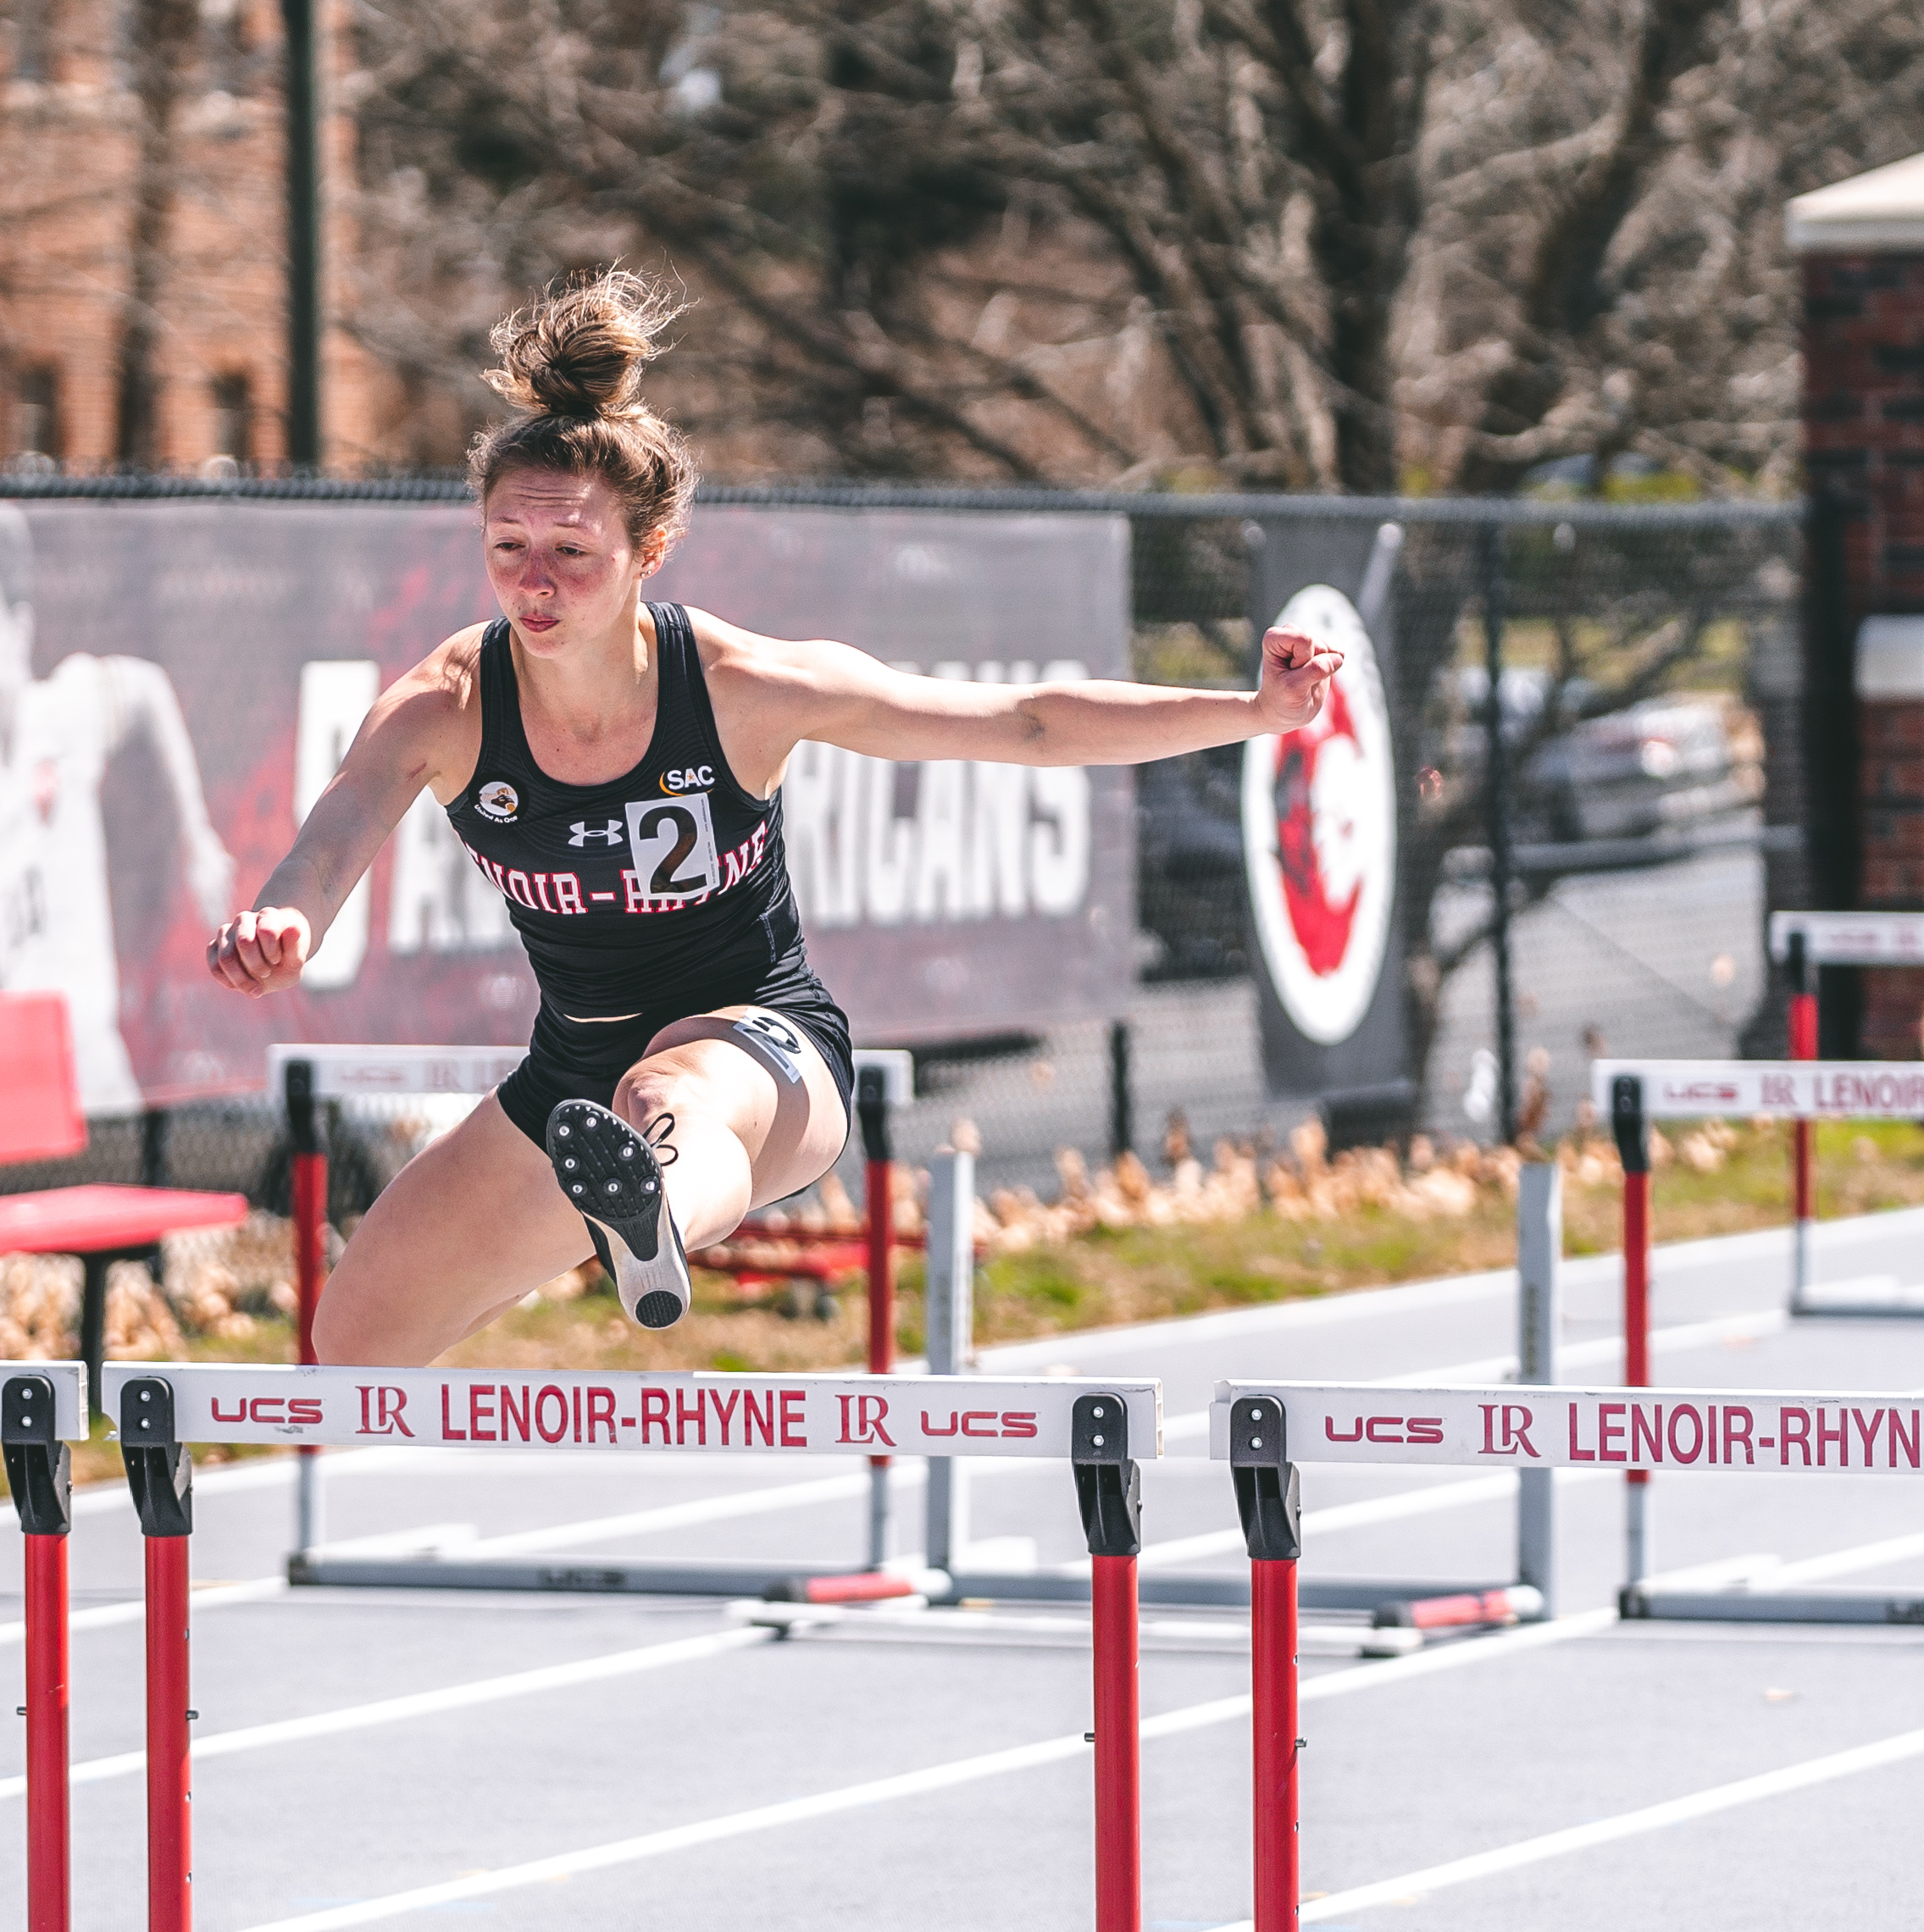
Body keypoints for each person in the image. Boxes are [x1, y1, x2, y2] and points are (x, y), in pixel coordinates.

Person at [209, 273, 1342, 1365]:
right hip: (572, 1082)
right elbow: (335, 835)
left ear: (648, 556)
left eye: (572, 554)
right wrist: (281, 921)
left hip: (765, 1052)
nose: (536, 585)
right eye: (509, 551)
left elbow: (1022, 721)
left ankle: (651, 1215)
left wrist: (1251, 710)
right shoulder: (448, 706)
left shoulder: (742, 686)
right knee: (355, 1337)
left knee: (668, 1088)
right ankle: (616, 1206)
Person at [0, 502, 239, 1114]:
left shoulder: (63, 706)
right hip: (19, 1074)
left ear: (19, 629)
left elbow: (151, 693)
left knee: (131, 1198)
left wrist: (197, 837)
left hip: (87, 1054)